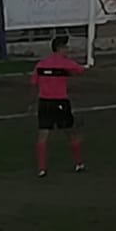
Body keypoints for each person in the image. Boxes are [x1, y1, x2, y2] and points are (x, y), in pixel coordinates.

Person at [31, 34, 86, 178]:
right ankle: (79, 163)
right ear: (60, 48)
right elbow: (80, 70)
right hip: (60, 102)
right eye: (65, 47)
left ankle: (41, 169)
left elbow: (34, 81)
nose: (67, 49)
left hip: (44, 102)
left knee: (43, 135)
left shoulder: (41, 64)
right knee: (70, 133)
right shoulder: (65, 62)